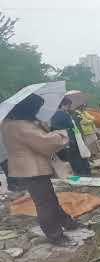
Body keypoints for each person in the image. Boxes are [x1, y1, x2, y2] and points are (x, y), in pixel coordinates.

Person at [1, 94, 83, 247]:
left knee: (49, 200)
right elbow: (46, 142)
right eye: (36, 108)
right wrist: (60, 134)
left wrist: (39, 126)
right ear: (28, 109)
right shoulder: (22, 126)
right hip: (32, 169)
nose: (38, 111)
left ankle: (68, 223)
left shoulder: (9, 123)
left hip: (26, 168)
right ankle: (55, 236)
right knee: (45, 204)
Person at [51, 97, 91, 176]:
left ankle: (79, 173)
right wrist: (75, 120)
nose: (68, 107)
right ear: (63, 105)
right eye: (68, 105)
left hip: (63, 139)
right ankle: (84, 173)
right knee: (77, 156)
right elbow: (71, 125)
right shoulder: (64, 114)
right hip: (71, 137)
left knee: (72, 157)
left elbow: (53, 128)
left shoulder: (54, 115)